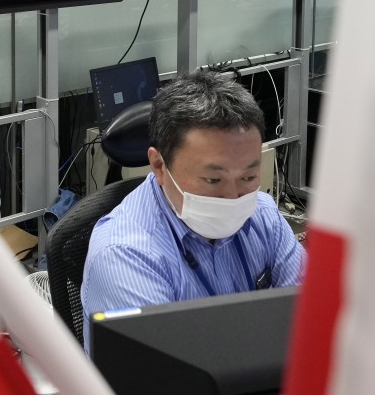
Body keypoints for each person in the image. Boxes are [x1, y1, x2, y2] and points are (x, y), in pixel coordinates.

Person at [80, 69, 305, 353]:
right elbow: (168, 378)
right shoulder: (125, 256)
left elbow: (310, 314)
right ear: (160, 166)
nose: (233, 197)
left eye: (248, 177)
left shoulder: (262, 215)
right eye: (213, 180)